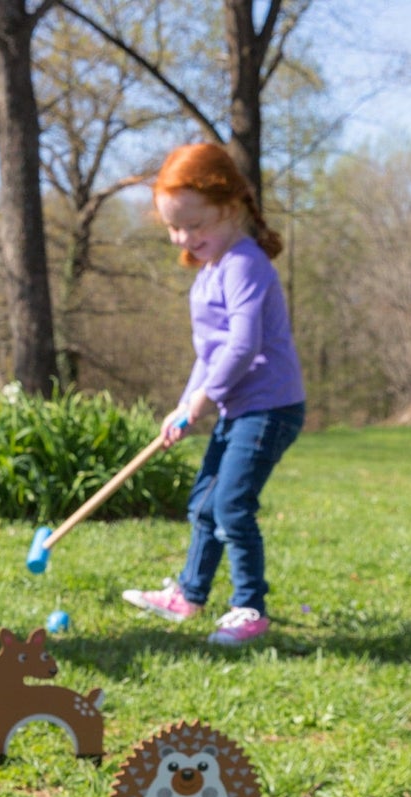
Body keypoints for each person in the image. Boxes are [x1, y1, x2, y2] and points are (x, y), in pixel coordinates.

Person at [123, 143, 306, 647]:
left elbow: (243, 346)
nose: (183, 237)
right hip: (238, 404)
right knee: (203, 502)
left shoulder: (245, 264)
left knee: (230, 506)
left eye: (194, 225)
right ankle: (189, 594)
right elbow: (210, 354)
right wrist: (185, 404)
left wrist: (203, 402)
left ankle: (249, 608)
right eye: (173, 228)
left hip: (270, 406)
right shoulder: (209, 273)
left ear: (229, 208)